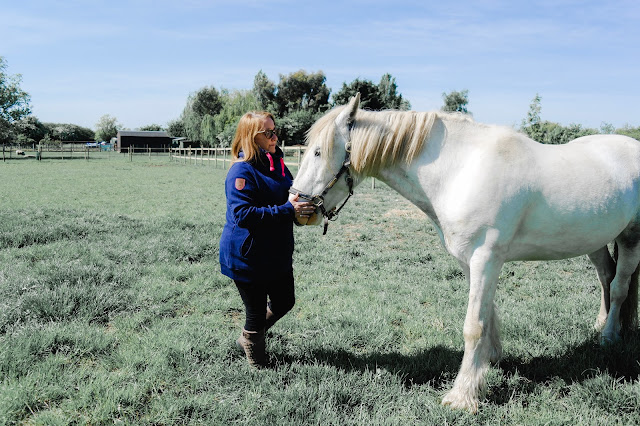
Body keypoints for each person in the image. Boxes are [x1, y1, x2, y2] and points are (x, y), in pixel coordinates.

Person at [219, 111, 314, 367]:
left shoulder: (278, 164)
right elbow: (243, 215)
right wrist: (287, 210)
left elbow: (292, 194)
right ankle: (257, 359)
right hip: (248, 255)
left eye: (275, 131)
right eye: (268, 133)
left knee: (285, 301)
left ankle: (251, 336)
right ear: (252, 137)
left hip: (276, 252)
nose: (275, 137)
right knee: (256, 313)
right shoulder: (241, 171)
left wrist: (310, 204)